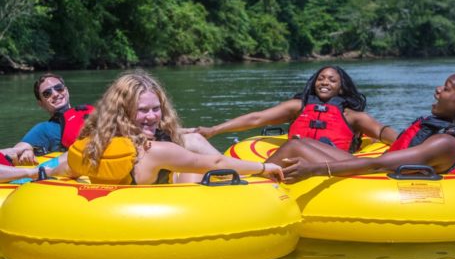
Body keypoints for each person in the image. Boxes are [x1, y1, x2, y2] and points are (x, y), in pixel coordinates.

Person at [267, 72, 455, 183]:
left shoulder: (446, 142)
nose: (438, 90)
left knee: (297, 150)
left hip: (379, 179)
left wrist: (314, 169)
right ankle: (264, 176)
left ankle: (262, 185)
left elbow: (378, 164)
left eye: (447, 88)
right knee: (296, 144)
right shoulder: (452, 130)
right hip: (378, 171)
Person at [51, 70, 283, 185]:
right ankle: (239, 184)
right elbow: (216, 164)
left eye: (156, 108)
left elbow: (61, 168)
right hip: (162, 220)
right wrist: (264, 167)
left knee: (193, 141)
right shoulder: (156, 150)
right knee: (195, 163)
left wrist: (34, 173)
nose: (152, 116)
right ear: (123, 112)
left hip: (119, 207)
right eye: (142, 110)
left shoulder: (91, 146)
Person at [194, 66, 398, 152]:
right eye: (321, 78)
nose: (325, 82)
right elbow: (257, 118)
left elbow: (381, 131)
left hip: (332, 163)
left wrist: (408, 146)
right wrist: (214, 130)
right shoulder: (298, 107)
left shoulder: (352, 116)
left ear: (341, 87)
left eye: (332, 80)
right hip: (296, 159)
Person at [12, 73, 94, 165]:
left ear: (66, 91)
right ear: (41, 103)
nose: (55, 94)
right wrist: (26, 152)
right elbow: (15, 151)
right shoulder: (43, 129)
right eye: (47, 93)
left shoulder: (92, 113)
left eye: (59, 88)